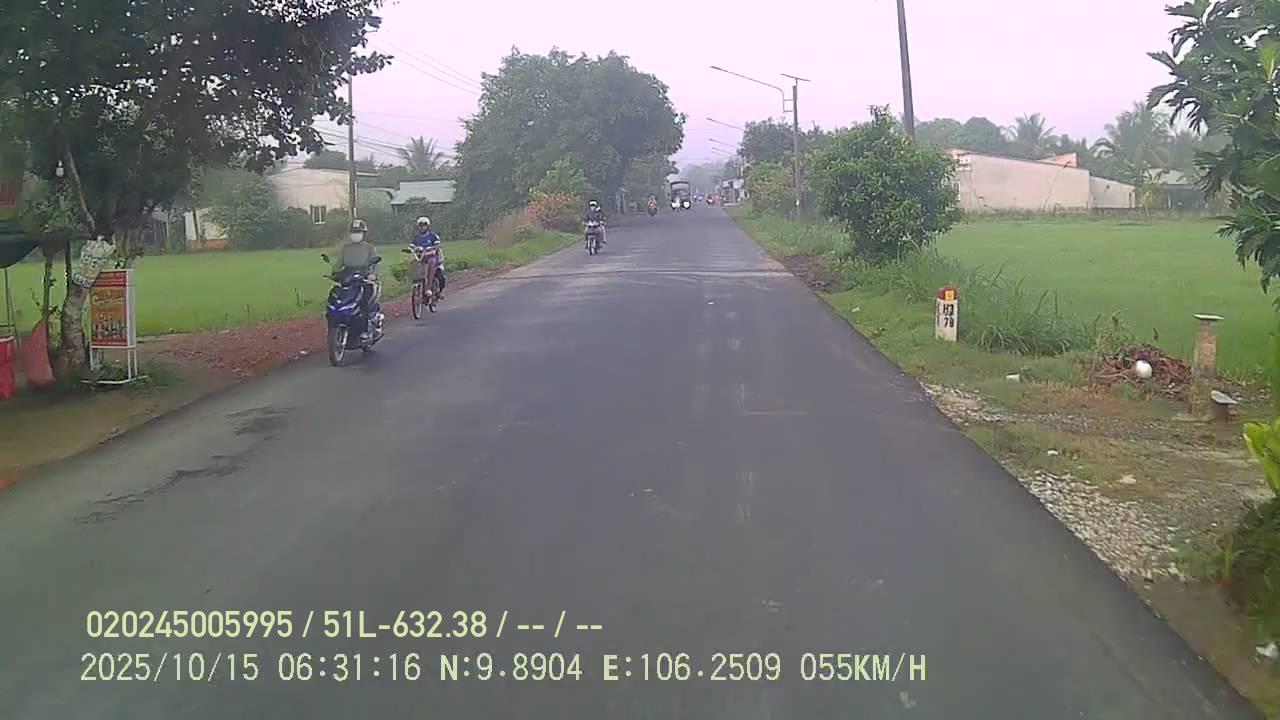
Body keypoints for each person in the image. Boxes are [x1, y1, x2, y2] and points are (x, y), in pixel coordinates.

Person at [331, 218, 382, 337]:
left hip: (364, 278)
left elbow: (375, 263)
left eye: (358, 232)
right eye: (353, 232)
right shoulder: (346, 248)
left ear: (364, 233)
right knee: (337, 296)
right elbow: (338, 264)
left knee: (364, 300)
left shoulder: (369, 248)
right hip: (348, 278)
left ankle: (365, 328)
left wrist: (372, 274)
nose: (356, 235)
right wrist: (335, 273)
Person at [410, 216, 446, 299]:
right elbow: (412, 246)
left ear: (427, 226)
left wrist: (433, 248)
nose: (422, 227)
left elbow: (437, 245)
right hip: (421, 258)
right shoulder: (416, 237)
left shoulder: (433, 236)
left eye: (424, 225)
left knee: (432, 262)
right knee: (413, 262)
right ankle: (416, 283)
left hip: (432, 258)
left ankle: (429, 288)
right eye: (420, 225)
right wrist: (410, 249)